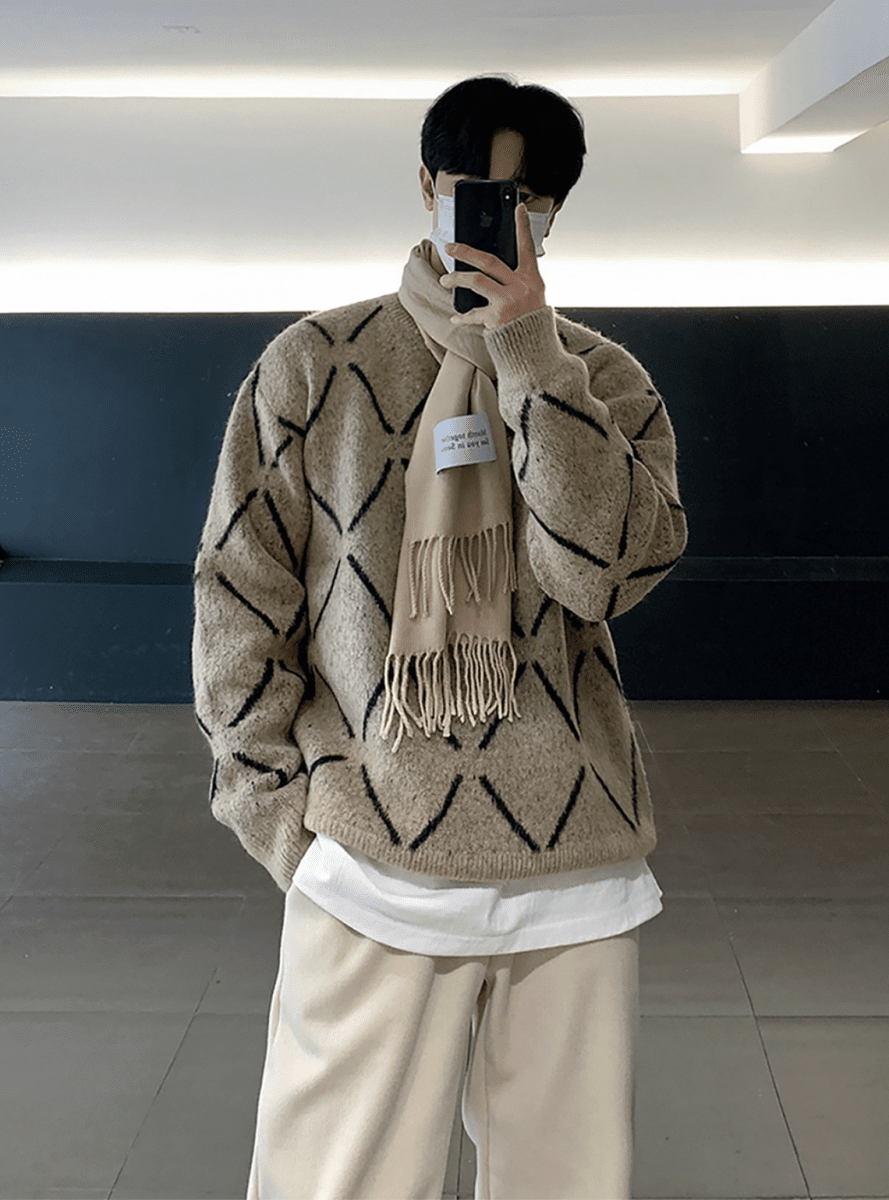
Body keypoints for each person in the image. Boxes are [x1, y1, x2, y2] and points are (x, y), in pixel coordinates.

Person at [191, 73, 687, 1200]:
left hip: (574, 871)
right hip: (367, 863)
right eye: (476, 191)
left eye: (526, 200)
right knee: (333, 1183)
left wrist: (531, 358)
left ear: (552, 214)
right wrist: (281, 819)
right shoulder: (313, 365)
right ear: (427, 186)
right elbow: (238, 598)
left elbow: (604, 575)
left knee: (567, 1184)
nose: (500, 220)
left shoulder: (603, 381)